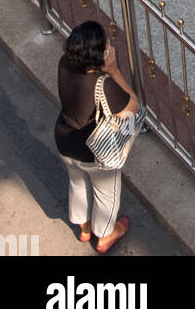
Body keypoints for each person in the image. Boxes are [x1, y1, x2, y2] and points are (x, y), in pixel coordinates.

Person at [54, 20, 139, 253]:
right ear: (101, 54)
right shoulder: (104, 85)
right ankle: (105, 235)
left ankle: (84, 228)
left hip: (63, 140)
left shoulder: (64, 63)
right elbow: (132, 105)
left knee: (77, 183)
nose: (111, 46)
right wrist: (114, 71)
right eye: (108, 43)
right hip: (93, 152)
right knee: (106, 193)